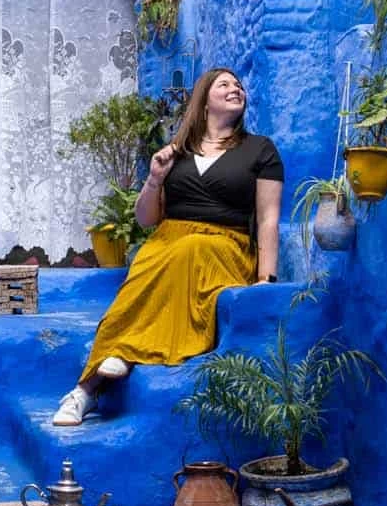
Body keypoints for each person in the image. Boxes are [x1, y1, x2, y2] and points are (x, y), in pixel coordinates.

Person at [53, 67, 283, 426]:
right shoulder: (178, 151)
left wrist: (266, 279)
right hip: (167, 243)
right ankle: (84, 391)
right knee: (148, 263)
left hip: (225, 246)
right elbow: (146, 219)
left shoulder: (260, 150)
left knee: (190, 249)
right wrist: (155, 178)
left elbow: (268, 219)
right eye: (224, 84)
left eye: (239, 85)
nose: (235, 88)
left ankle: (117, 360)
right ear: (204, 99)